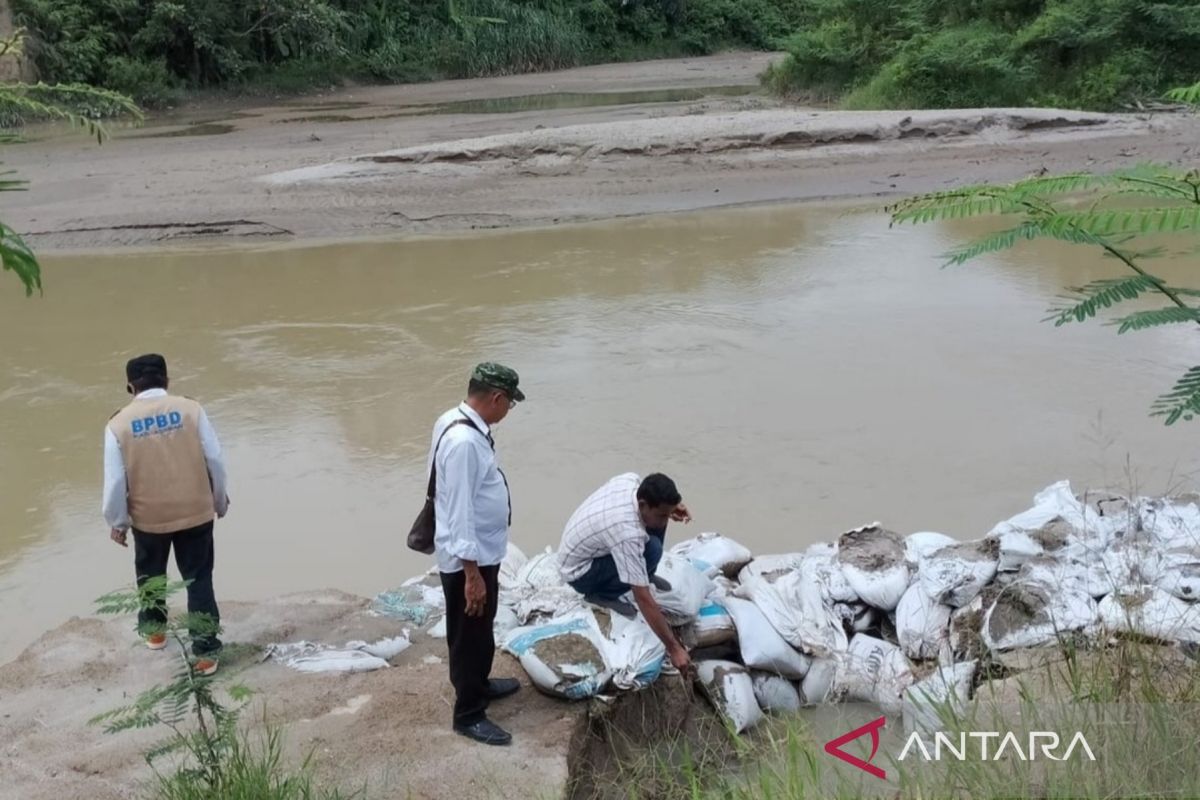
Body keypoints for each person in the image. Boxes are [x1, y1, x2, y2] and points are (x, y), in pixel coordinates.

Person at [102, 354, 229, 676]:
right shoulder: (191, 409)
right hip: (195, 511)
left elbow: (116, 481)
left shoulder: (118, 424)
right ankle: (205, 653)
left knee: (151, 575)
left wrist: (117, 522)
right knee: (198, 578)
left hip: (149, 517)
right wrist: (219, 501)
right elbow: (215, 459)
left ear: (130, 386)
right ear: (167, 380)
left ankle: (156, 633)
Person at [431, 363, 524, 746]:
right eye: (509, 405)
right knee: (469, 635)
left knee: (480, 631)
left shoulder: (454, 420)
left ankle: (480, 685)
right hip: (470, 560)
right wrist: (471, 575)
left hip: (481, 554)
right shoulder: (465, 442)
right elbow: (461, 511)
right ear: (496, 398)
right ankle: (468, 715)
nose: (508, 412)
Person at [557, 472, 693, 674]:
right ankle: (603, 594)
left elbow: (654, 512)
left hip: (593, 548)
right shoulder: (626, 532)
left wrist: (672, 508)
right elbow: (642, 597)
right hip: (580, 573)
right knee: (652, 549)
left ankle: (646, 571)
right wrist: (674, 648)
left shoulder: (631, 481)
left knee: (652, 537)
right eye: (662, 514)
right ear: (643, 504)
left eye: (668, 513)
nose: (666, 520)